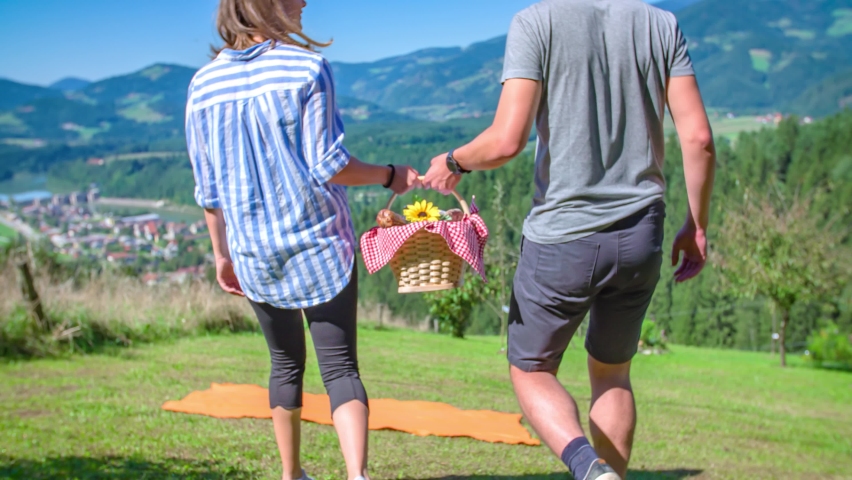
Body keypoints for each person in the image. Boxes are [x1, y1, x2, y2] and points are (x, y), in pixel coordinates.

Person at [422, 0, 716, 479]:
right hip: (642, 233)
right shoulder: (661, 24)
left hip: (564, 237)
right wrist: (697, 225)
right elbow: (699, 138)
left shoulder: (537, 22)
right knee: (613, 371)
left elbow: (506, 141)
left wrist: (453, 161)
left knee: (531, 369)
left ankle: (586, 465)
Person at [186, 1, 420, 479]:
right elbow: (330, 164)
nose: (306, 3)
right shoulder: (308, 68)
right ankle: (357, 475)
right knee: (340, 369)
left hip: (255, 253)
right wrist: (389, 174)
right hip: (321, 244)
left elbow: (208, 191)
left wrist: (221, 255)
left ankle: (292, 475)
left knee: (284, 364)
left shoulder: (202, 86)